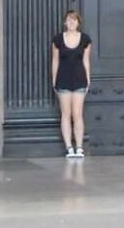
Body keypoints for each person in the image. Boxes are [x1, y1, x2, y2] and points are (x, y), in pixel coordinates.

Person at [51, 9, 92, 158]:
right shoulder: (58, 40)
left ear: (78, 23)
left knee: (78, 114)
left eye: (74, 20)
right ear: (65, 22)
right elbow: (55, 60)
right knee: (66, 114)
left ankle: (79, 146)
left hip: (79, 79)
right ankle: (69, 147)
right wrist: (54, 79)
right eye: (69, 20)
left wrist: (88, 79)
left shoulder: (85, 40)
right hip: (63, 79)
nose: (71, 22)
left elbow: (86, 61)